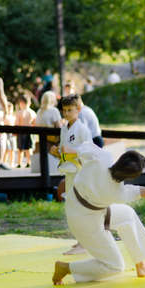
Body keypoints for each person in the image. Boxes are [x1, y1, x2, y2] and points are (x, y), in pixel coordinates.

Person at [52, 142, 145, 285]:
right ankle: (66, 268)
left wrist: (61, 152)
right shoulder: (117, 193)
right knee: (115, 266)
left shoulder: (103, 157)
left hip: (77, 206)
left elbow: (79, 149)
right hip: (84, 223)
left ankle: (141, 264)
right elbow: (139, 192)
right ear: (130, 177)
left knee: (127, 215)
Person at [50, 94, 92, 255]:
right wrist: (55, 151)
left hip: (81, 173)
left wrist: (73, 151)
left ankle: (85, 243)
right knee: (72, 207)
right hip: (69, 172)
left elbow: (89, 152)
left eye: (70, 110)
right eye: (64, 110)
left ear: (78, 110)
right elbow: (63, 152)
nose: (66, 113)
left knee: (81, 207)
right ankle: (80, 240)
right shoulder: (64, 128)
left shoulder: (83, 129)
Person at [15, 94, 36, 168]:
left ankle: (19, 163)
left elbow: (17, 123)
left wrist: (15, 131)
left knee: (20, 149)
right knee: (28, 149)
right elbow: (35, 123)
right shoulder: (32, 112)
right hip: (29, 132)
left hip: (21, 131)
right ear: (29, 103)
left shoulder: (19, 113)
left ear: (21, 103)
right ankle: (29, 162)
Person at [3, 103, 16, 167]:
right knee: (7, 149)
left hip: (12, 134)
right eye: (8, 108)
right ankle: (4, 162)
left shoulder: (13, 116)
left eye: (11, 109)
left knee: (12, 149)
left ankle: (12, 162)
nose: (10, 110)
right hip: (6, 134)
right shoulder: (5, 116)